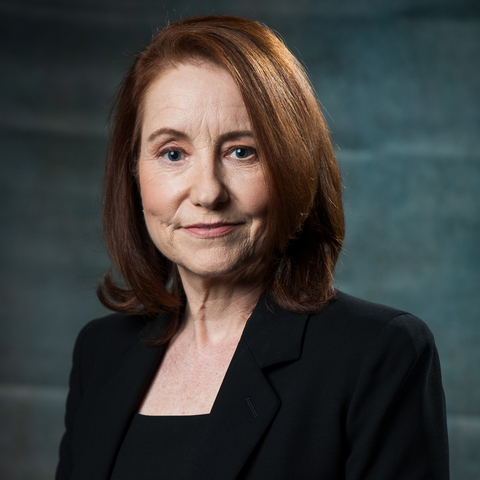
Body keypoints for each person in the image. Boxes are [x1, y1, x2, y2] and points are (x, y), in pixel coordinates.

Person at [56, 15, 449, 480]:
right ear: (134, 173)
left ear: (292, 166)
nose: (207, 192)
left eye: (242, 151)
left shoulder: (380, 355)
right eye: (173, 153)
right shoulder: (100, 353)